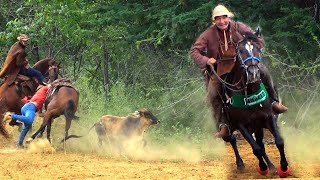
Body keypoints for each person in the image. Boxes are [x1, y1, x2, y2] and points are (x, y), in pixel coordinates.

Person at [190, 4, 287, 138]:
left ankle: (274, 102)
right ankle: (223, 125)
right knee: (213, 94)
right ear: (214, 21)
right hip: (221, 69)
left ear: (229, 17)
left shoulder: (239, 27)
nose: (222, 21)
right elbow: (194, 51)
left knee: (263, 72)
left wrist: (254, 49)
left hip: (242, 64)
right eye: (218, 19)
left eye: (224, 17)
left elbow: (256, 38)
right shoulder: (208, 34)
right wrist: (206, 60)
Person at [3, 84, 50, 148]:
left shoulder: (40, 96)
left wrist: (46, 113)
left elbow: (40, 114)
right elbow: (50, 85)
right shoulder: (44, 88)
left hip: (27, 108)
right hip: (30, 107)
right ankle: (11, 116)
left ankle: (19, 144)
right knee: (29, 120)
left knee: (26, 127)